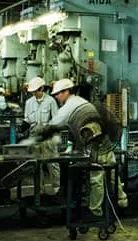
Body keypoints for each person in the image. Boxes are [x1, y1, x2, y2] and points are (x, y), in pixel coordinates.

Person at [45, 78, 128, 217]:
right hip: (103, 146)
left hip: (99, 148)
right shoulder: (87, 107)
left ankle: (95, 212)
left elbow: (89, 131)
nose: (58, 97)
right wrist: (71, 144)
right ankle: (122, 202)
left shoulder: (84, 108)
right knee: (112, 176)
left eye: (59, 94)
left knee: (96, 179)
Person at [24, 77, 60, 193]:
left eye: (36, 91)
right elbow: (27, 118)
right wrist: (24, 125)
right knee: (36, 164)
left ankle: (56, 189)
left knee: (52, 163)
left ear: (42, 89)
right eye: (33, 92)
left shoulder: (50, 101)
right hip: (34, 136)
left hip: (48, 137)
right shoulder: (29, 103)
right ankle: (39, 190)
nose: (34, 94)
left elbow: (56, 119)